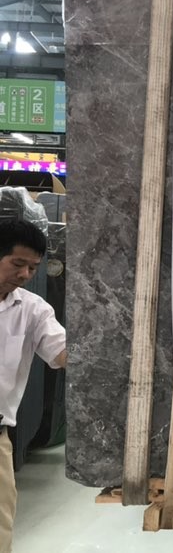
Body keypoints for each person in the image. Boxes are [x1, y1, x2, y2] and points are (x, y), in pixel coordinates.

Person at [0, 219, 66, 553]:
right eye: (18, 264)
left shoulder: (33, 309)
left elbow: (61, 352)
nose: (25, 274)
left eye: (33, 267)